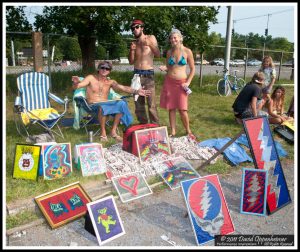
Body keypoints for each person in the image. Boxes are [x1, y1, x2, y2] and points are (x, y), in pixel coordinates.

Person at [72, 61, 151, 142]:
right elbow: (78, 86)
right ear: (98, 69)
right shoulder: (91, 78)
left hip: (105, 104)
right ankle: (103, 133)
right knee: (102, 107)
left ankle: (113, 132)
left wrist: (136, 91)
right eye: (102, 67)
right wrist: (76, 82)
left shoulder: (110, 82)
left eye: (107, 68)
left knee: (122, 103)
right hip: (92, 106)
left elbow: (123, 88)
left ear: (109, 71)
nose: (104, 70)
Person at [159, 28, 196, 140]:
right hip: (169, 82)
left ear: (180, 38)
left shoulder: (187, 51)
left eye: (175, 37)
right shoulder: (169, 52)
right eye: (171, 38)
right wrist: (164, 68)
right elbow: (169, 67)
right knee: (171, 108)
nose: (173, 39)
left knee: (183, 109)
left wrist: (188, 82)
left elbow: (193, 69)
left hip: (181, 84)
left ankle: (188, 131)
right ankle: (173, 131)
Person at [128, 19, 160, 124]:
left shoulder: (151, 38)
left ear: (142, 28)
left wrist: (150, 44)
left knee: (151, 104)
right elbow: (131, 62)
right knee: (138, 103)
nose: (135, 30)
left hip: (148, 75)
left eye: (137, 27)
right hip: (136, 75)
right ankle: (143, 125)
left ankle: (155, 126)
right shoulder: (134, 43)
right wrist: (132, 50)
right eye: (133, 28)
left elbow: (158, 54)